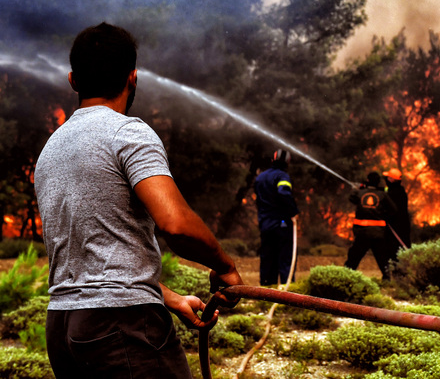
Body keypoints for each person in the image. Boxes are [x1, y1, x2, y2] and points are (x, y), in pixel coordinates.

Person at [34, 22, 244, 379]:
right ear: (133, 78)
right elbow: (175, 225)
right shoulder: (127, 132)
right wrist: (225, 267)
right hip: (122, 326)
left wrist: (170, 298)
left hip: (63, 328)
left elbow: (94, 263)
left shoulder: (51, 150)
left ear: (73, 80)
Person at [254, 148, 299, 285]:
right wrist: (294, 212)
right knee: (285, 258)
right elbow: (283, 193)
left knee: (268, 258)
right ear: (287, 163)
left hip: (265, 224)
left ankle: (267, 291)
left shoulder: (260, 177)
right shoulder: (282, 176)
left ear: (272, 160)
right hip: (282, 223)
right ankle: (288, 294)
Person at [344, 171, 397, 279]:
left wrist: (356, 188)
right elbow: (394, 210)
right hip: (378, 234)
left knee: (354, 257)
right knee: (382, 257)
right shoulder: (382, 195)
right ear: (378, 182)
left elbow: (352, 198)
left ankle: (345, 277)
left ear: (367, 180)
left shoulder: (360, 193)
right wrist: (383, 215)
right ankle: (387, 279)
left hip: (362, 233)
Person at [383, 168, 411, 253]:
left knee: (396, 249)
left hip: (395, 226)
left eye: (387, 177)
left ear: (391, 179)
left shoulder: (394, 193)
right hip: (402, 225)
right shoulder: (400, 191)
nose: (386, 179)